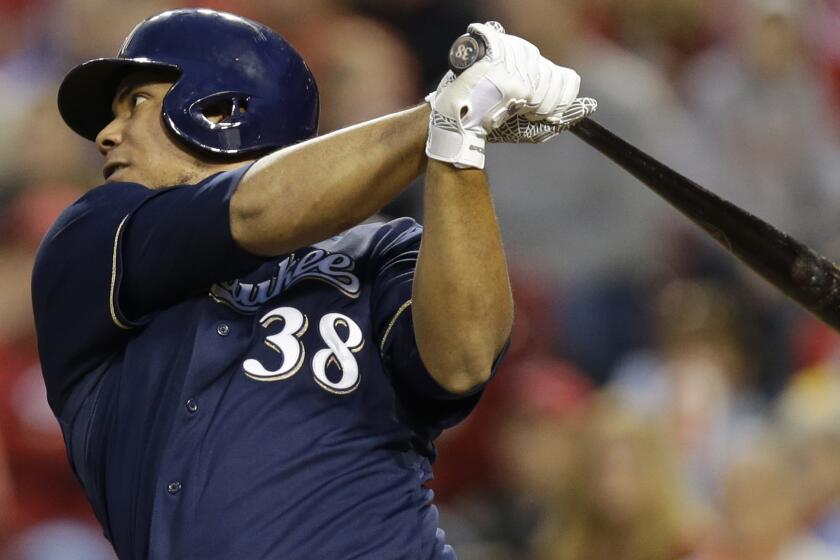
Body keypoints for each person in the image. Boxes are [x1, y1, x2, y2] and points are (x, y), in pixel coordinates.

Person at [31, 9, 593, 559]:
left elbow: (462, 360)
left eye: (135, 104)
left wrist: (460, 140)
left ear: (223, 110)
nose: (106, 134)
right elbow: (252, 213)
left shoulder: (381, 249)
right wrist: (440, 114)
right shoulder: (91, 239)